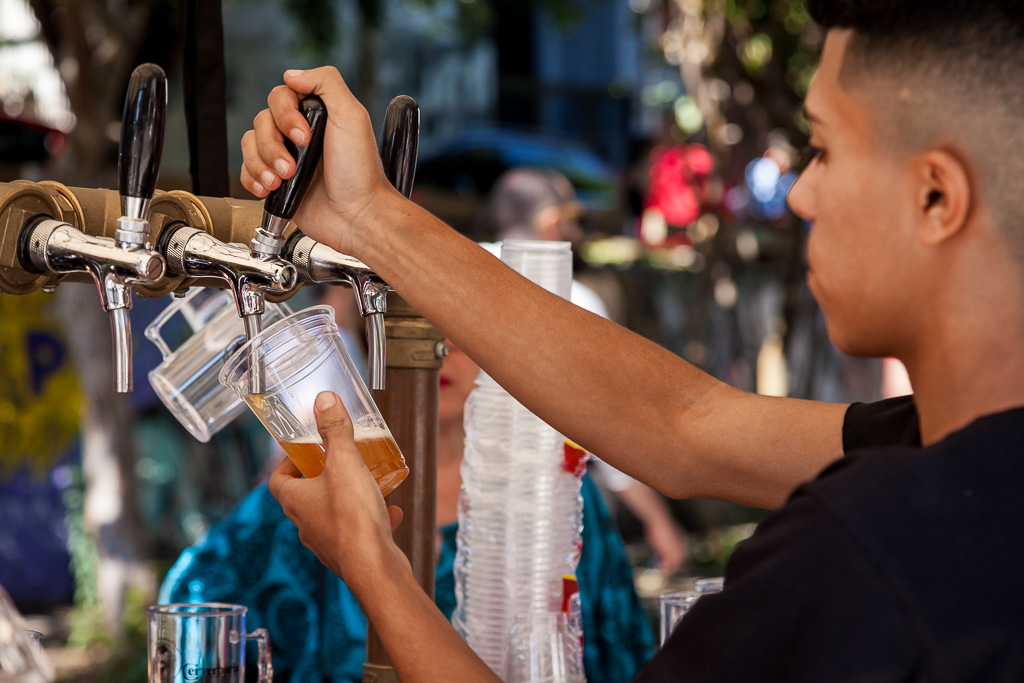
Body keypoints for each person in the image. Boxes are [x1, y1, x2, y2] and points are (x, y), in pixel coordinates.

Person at [242, 0, 1024, 677]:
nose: (802, 191)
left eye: (822, 147)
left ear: (936, 195)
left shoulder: (869, 551)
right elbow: (684, 424)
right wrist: (368, 216)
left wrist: (374, 569)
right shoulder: (946, 459)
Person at [159, 302, 653, 682]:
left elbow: (624, 643)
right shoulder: (312, 490)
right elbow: (192, 601)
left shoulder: (556, 496)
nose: (438, 346)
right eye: (407, 327)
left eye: (459, 334)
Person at [485, 166, 690, 574]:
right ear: (551, 223)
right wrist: (659, 521)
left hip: (454, 506)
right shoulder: (574, 300)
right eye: (574, 221)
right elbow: (606, 426)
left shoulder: (452, 276)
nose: (578, 234)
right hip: (545, 516)